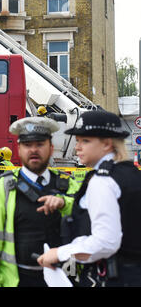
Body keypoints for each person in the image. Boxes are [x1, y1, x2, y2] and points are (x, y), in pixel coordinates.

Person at [37, 110, 141, 287]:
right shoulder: (130, 173)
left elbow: (106, 241)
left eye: (85, 141)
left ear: (107, 143)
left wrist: (59, 254)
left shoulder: (103, 180)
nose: (77, 147)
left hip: (114, 277)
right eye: (77, 141)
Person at [0, 117, 79, 287]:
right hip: (20, 280)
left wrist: (64, 203)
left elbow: (89, 225)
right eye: (28, 145)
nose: (33, 150)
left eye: (40, 144)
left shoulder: (68, 185)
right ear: (19, 149)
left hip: (65, 279)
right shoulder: (3, 188)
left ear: (51, 148)